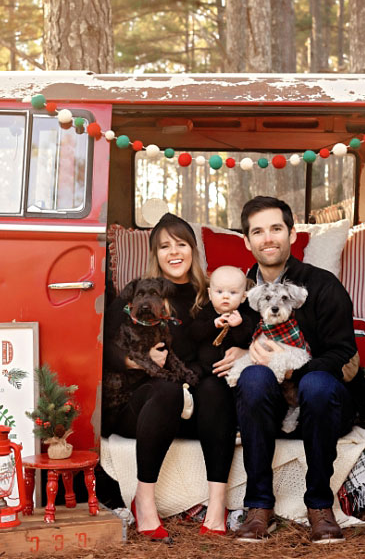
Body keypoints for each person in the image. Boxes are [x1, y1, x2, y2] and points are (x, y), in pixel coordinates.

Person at [213, 196, 357, 544]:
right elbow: (221, 341)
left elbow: (344, 353)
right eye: (258, 232)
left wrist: (294, 370)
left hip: (321, 395)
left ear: (292, 234)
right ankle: (259, 506)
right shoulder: (240, 291)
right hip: (268, 401)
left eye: (276, 228)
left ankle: (320, 504)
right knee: (253, 376)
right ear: (246, 241)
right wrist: (243, 351)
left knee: (318, 386)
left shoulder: (322, 285)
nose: (268, 238)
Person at [101, 213, 236, 541]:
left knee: (215, 388)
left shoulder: (211, 295)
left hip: (193, 402)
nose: (174, 252)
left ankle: (216, 508)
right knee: (166, 390)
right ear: (155, 254)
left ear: (193, 249)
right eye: (164, 246)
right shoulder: (137, 295)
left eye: (181, 244)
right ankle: (144, 503)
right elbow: (103, 345)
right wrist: (138, 361)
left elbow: (215, 355)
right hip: (144, 405)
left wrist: (241, 351)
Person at [189, 266, 254, 380]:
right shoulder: (206, 312)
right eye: (219, 291)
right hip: (206, 368)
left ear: (243, 296)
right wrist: (212, 324)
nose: (225, 296)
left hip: (233, 371)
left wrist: (238, 326)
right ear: (210, 294)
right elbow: (194, 333)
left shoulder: (244, 318)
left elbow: (246, 340)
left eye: (233, 292)